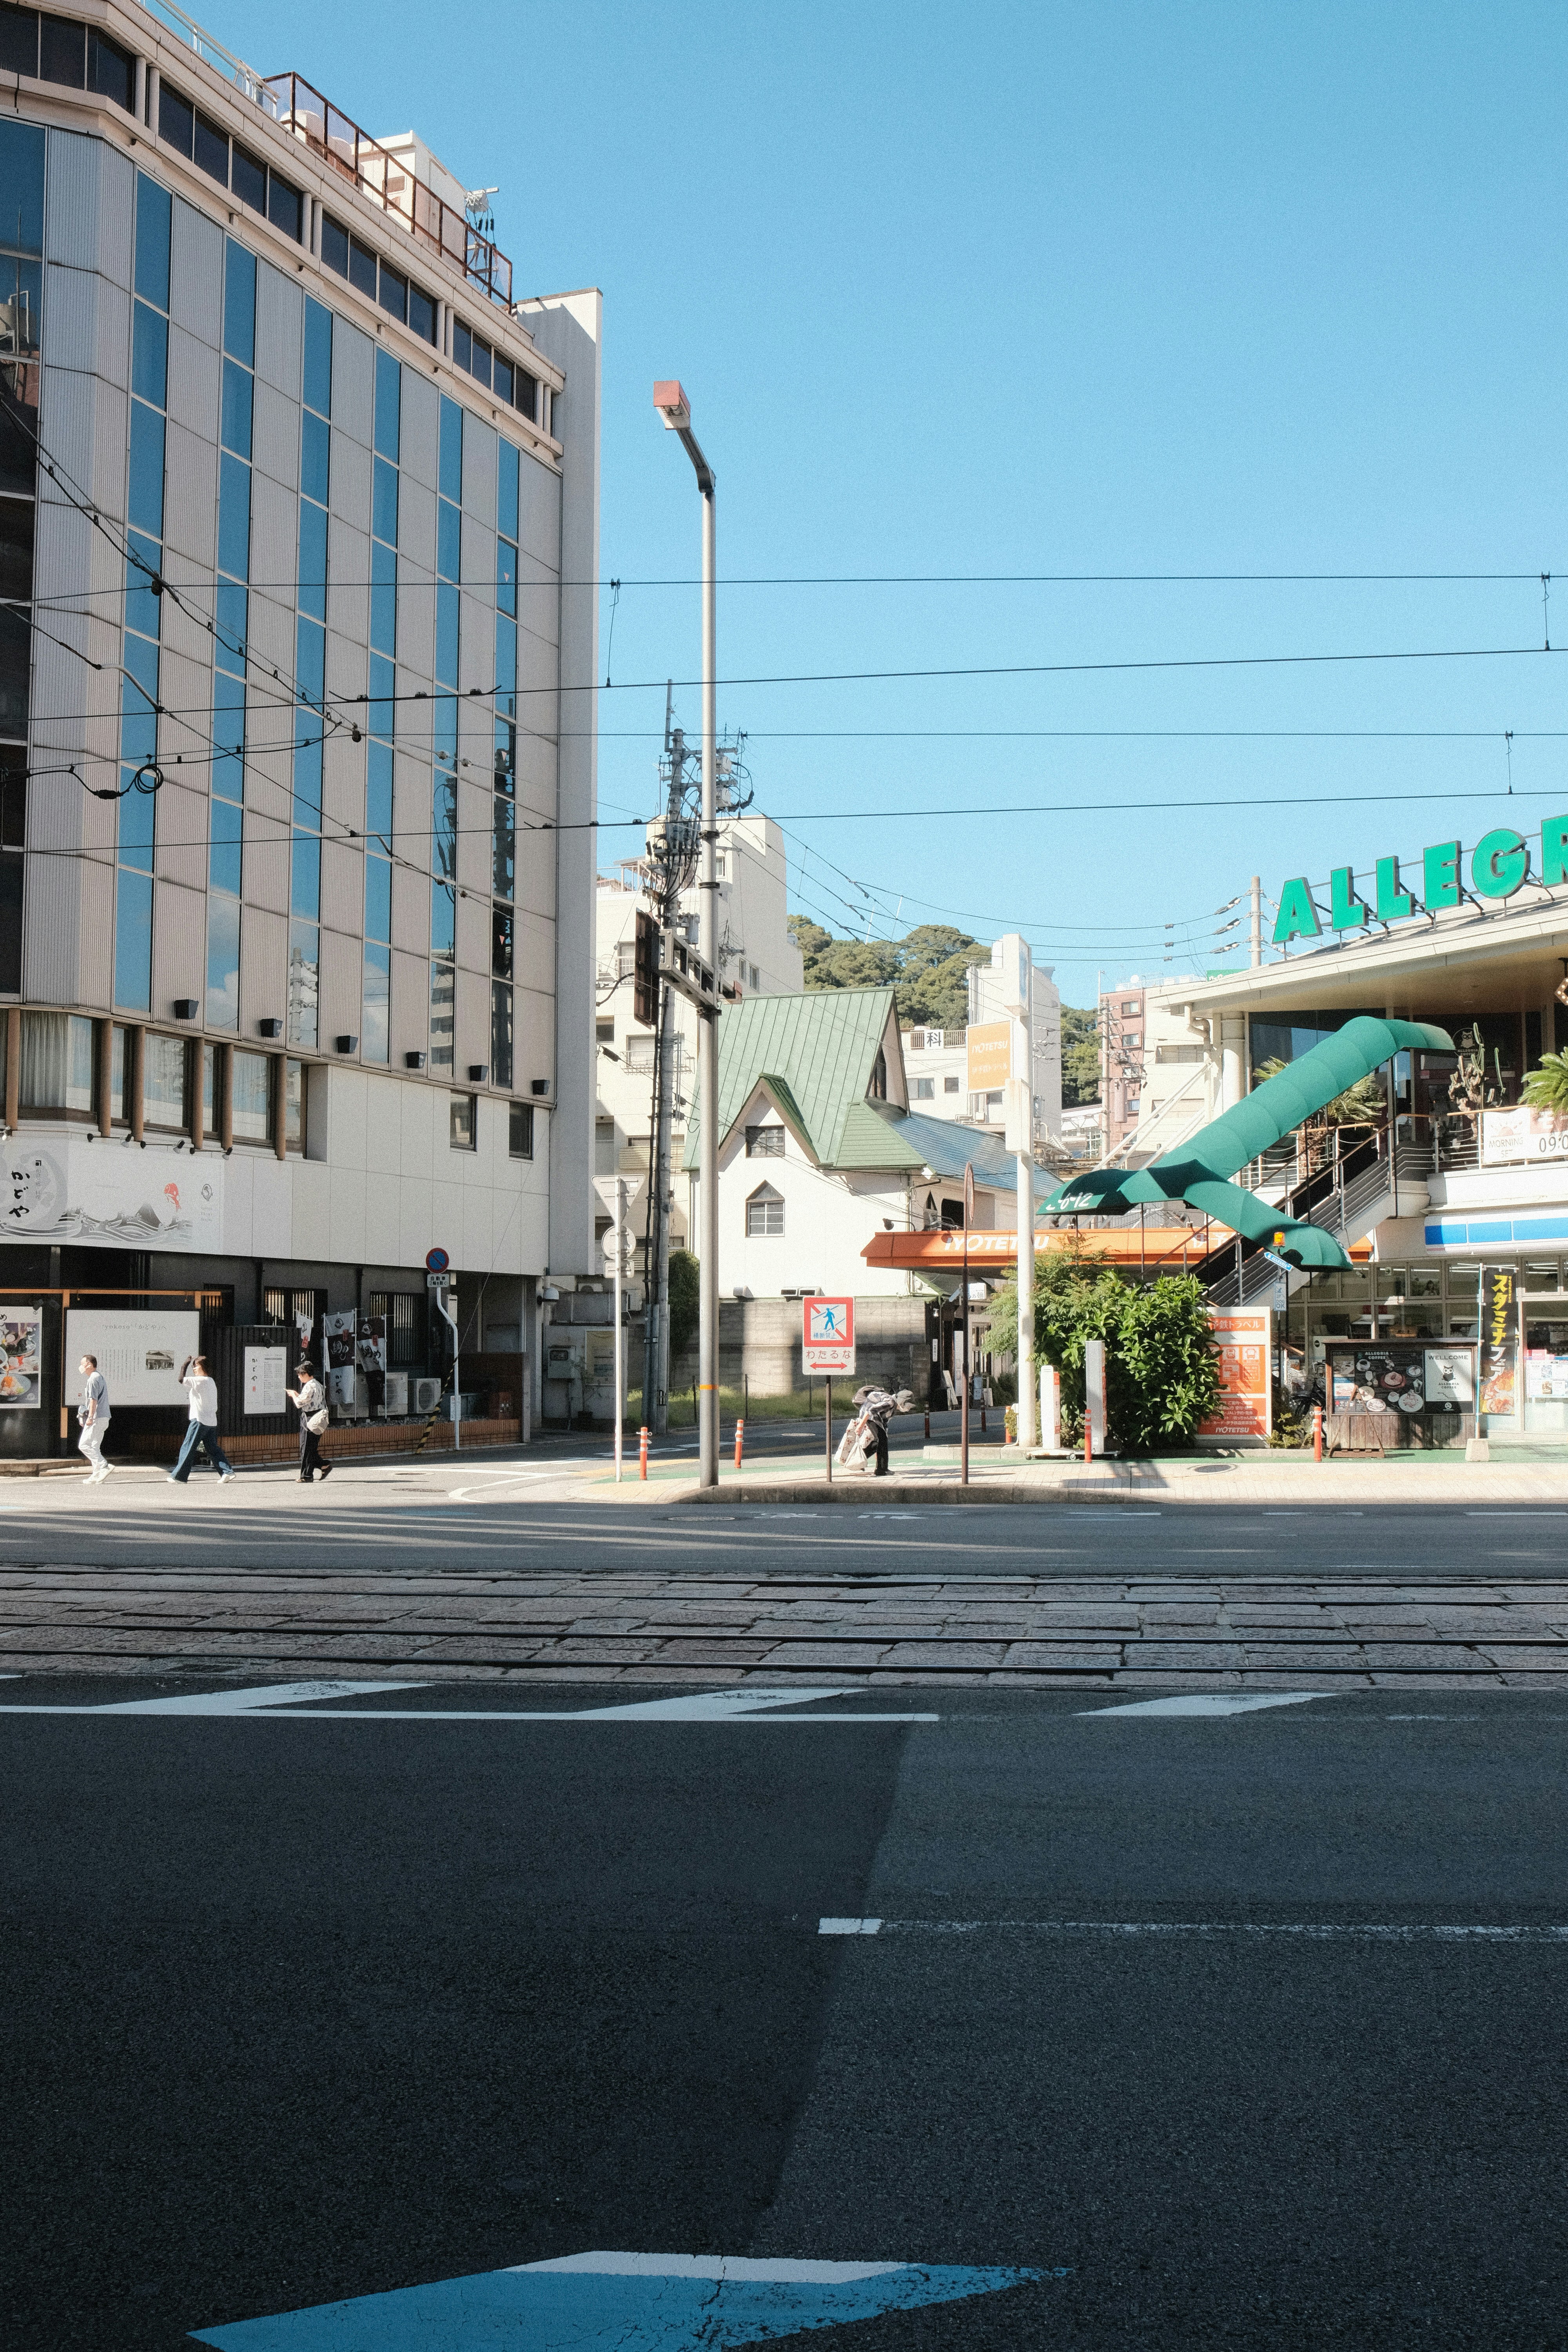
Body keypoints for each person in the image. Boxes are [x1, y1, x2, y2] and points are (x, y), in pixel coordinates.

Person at [168, 1354, 235, 1485]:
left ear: (204, 1367)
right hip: (211, 1421)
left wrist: (185, 1364)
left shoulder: (200, 1381)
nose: (194, 1369)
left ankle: (179, 1476)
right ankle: (227, 1472)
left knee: (188, 1447)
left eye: (196, 1366)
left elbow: (181, 1379)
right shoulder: (211, 1381)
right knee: (213, 1449)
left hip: (199, 1420)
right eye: (193, 1366)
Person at [286, 1358, 332, 1483]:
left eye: (300, 1375)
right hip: (318, 1418)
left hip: (310, 1419)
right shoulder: (317, 1384)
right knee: (310, 1448)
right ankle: (324, 1466)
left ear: (306, 1374)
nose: (299, 1377)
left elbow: (299, 1403)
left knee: (305, 1448)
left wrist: (294, 1395)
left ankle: (307, 1476)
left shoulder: (309, 1386)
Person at [76, 1353, 113, 1483]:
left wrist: (90, 1417)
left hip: (97, 1418)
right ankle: (97, 1474)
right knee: (94, 1446)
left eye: (83, 1364)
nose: (81, 1367)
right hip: (104, 1417)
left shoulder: (93, 1379)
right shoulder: (100, 1377)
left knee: (84, 1445)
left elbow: (93, 1400)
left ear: (90, 1365)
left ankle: (103, 1466)